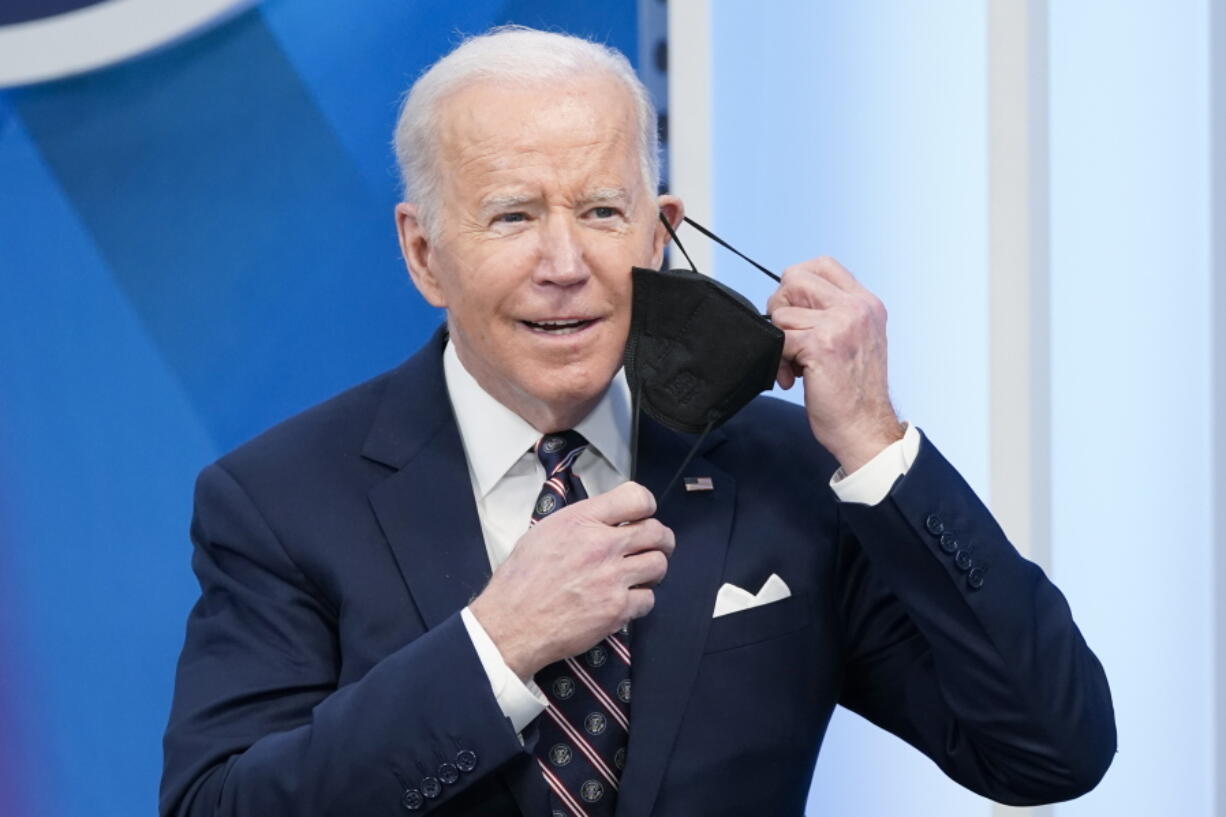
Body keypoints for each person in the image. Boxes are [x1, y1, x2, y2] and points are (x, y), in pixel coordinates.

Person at [160, 26, 1115, 817]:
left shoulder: (787, 473)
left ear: (659, 233)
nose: (565, 261)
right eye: (511, 216)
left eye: (603, 210)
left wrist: (875, 445)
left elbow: (1049, 751)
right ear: (423, 252)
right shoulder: (280, 501)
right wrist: (495, 644)